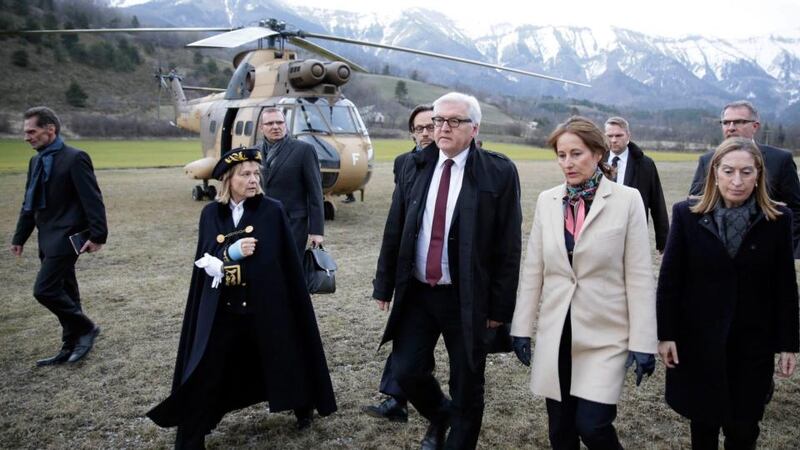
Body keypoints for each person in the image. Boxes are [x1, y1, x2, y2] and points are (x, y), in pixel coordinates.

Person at [147, 148, 337, 449]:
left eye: (255, 174)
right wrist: (229, 253)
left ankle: (303, 406)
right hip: (225, 308)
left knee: (286, 357)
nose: (252, 180)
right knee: (206, 368)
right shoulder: (212, 213)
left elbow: (284, 260)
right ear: (227, 179)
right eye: (244, 174)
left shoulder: (271, 209)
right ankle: (192, 435)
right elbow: (206, 256)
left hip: (266, 306)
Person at [372, 92, 522, 449]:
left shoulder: (498, 171)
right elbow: (396, 227)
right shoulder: (415, 165)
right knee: (406, 371)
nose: (442, 127)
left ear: (474, 128)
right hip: (419, 293)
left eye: (454, 121)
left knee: (467, 383)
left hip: (468, 298)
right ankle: (440, 415)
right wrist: (384, 284)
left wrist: (500, 310)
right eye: (438, 120)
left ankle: (459, 440)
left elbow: (509, 247)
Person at [510, 116, 657, 449]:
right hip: (557, 333)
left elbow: (638, 277)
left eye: (576, 154)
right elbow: (534, 269)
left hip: (606, 335)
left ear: (598, 154)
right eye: (561, 155)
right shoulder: (548, 201)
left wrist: (644, 341)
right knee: (561, 432)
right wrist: (521, 327)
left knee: (592, 427)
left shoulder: (628, 200)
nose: (567, 163)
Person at [657, 137, 799, 449]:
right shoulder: (686, 215)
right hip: (699, 341)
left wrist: (788, 343)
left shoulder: (777, 219)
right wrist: (666, 334)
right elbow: (670, 280)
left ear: (759, 174)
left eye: (747, 172)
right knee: (704, 428)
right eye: (729, 171)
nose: (737, 181)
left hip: (752, 344)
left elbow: (785, 286)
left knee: (744, 430)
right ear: (714, 173)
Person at [10, 107, 107, 366]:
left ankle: (87, 328)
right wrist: (19, 237)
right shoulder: (36, 161)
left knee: (45, 290)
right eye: (25, 132)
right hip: (46, 236)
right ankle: (69, 345)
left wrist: (98, 235)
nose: (26, 137)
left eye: (32, 131)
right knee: (67, 290)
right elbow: (28, 203)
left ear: (50, 129)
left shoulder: (75, 158)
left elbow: (92, 200)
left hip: (67, 237)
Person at [363, 104, 436, 423]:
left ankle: (452, 408)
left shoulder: (453, 165)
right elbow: (396, 226)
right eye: (419, 128)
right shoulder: (404, 163)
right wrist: (384, 284)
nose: (425, 133)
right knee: (408, 339)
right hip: (413, 272)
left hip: (445, 275)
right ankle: (397, 400)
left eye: (430, 127)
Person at [689, 100, 800, 256]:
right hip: (718, 250)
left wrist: (788, 248)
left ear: (755, 126)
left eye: (739, 122)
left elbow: (795, 209)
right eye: (726, 122)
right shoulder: (707, 160)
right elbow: (696, 204)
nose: (731, 127)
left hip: (766, 251)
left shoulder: (780, 160)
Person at [259, 107, 324, 256]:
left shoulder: (304, 150)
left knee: (292, 270)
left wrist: (316, 231)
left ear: (285, 125)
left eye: (279, 122)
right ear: (261, 128)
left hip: (294, 224)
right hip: (263, 223)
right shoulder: (254, 152)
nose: (275, 126)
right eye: (269, 123)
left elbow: (316, 192)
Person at [604, 116, 669, 252]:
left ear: (628, 135)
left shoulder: (645, 165)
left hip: (633, 232)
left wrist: (664, 241)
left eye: (618, 135)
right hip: (601, 232)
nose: (614, 140)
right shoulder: (595, 161)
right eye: (610, 136)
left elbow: (657, 204)